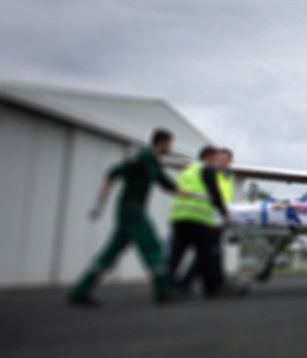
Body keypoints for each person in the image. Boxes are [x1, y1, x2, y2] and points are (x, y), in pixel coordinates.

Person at [68, 128, 203, 307]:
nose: (171, 147)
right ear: (162, 143)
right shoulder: (142, 157)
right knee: (153, 246)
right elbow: (113, 172)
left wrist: (196, 196)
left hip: (133, 212)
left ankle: (80, 291)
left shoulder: (154, 161)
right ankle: (163, 291)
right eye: (170, 143)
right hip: (131, 211)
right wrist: (100, 204)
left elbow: (168, 185)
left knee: (110, 253)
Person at [167, 145, 232, 297]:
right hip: (198, 217)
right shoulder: (207, 169)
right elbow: (214, 193)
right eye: (216, 159)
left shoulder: (187, 171)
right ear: (209, 157)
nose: (217, 162)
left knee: (176, 254)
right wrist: (224, 213)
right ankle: (212, 288)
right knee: (207, 254)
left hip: (179, 216)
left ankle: (165, 285)